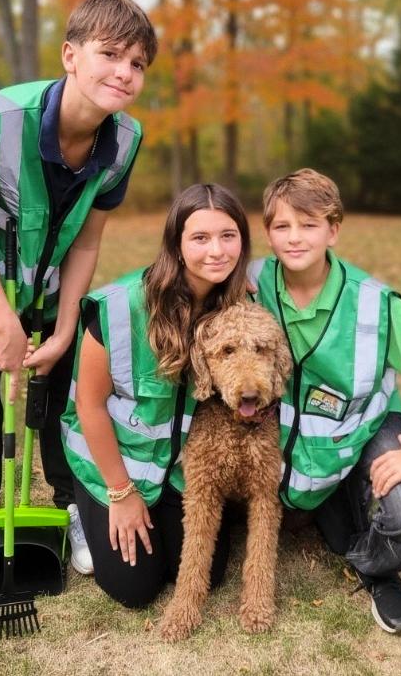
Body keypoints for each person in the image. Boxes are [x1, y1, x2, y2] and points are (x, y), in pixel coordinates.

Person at [0, 0, 158, 581]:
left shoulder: (125, 141)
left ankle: (68, 507)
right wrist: (4, 323)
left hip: (52, 281)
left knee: (59, 400)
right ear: (70, 55)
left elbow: (86, 241)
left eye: (137, 64)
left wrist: (62, 328)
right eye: (109, 54)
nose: (123, 73)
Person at [248, 169, 401, 634]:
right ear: (267, 233)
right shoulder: (249, 282)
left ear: (334, 229)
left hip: (365, 420)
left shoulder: (373, 302)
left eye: (309, 225)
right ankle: (334, 494)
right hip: (289, 429)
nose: (295, 238)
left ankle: (376, 567)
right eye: (282, 226)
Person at [60, 183, 250, 608]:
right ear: (177, 246)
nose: (216, 251)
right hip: (117, 459)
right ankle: (82, 505)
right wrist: (121, 493)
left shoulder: (240, 306)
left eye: (228, 236)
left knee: (209, 575)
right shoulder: (119, 307)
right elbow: (88, 406)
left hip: (181, 466)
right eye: (200, 238)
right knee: (135, 589)